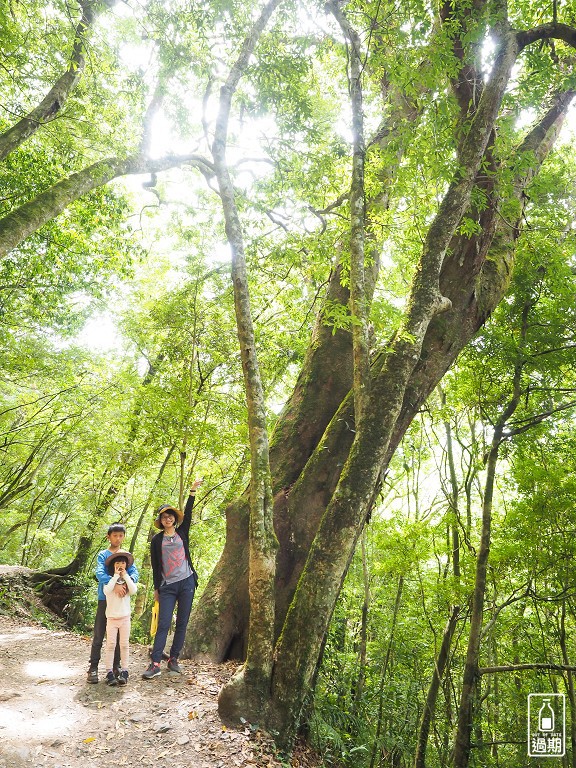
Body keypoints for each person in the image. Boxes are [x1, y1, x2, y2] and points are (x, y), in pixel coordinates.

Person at [142, 479, 202, 679]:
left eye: (170, 516)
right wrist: (156, 588)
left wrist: (192, 491)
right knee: (164, 624)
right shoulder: (157, 540)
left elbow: (190, 512)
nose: (167, 519)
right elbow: (156, 566)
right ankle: (155, 663)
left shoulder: (182, 533)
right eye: (164, 517)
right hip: (167, 586)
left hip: (187, 582)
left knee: (182, 623)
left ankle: (173, 659)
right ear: (160, 521)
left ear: (175, 519)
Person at [87, 523, 139, 684]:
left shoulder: (126, 556)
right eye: (114, 535)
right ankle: (93, 667)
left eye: (121, 535)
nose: (118, 538)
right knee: (99, 633)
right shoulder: (103, 555)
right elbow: (100, 572)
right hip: (106, 598)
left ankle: (116, 667)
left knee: (119, 638)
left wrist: (124, 585)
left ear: (124, 537)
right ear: (108, 537)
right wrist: (114, 583)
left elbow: (134, 572)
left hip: (122, 600)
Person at [103, 550, 137, 686]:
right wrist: (116, 576)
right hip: (111, 618)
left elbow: (134, 590)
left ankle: (125, 671)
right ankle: (109, 672)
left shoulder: (127, 581)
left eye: (123, 562)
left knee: (124, 645)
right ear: (113, 565)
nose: (120, 564)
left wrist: (125, 575)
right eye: (117, 562)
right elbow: (106, 591)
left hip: (125, 618)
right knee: (111, 645)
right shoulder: (110, 581)